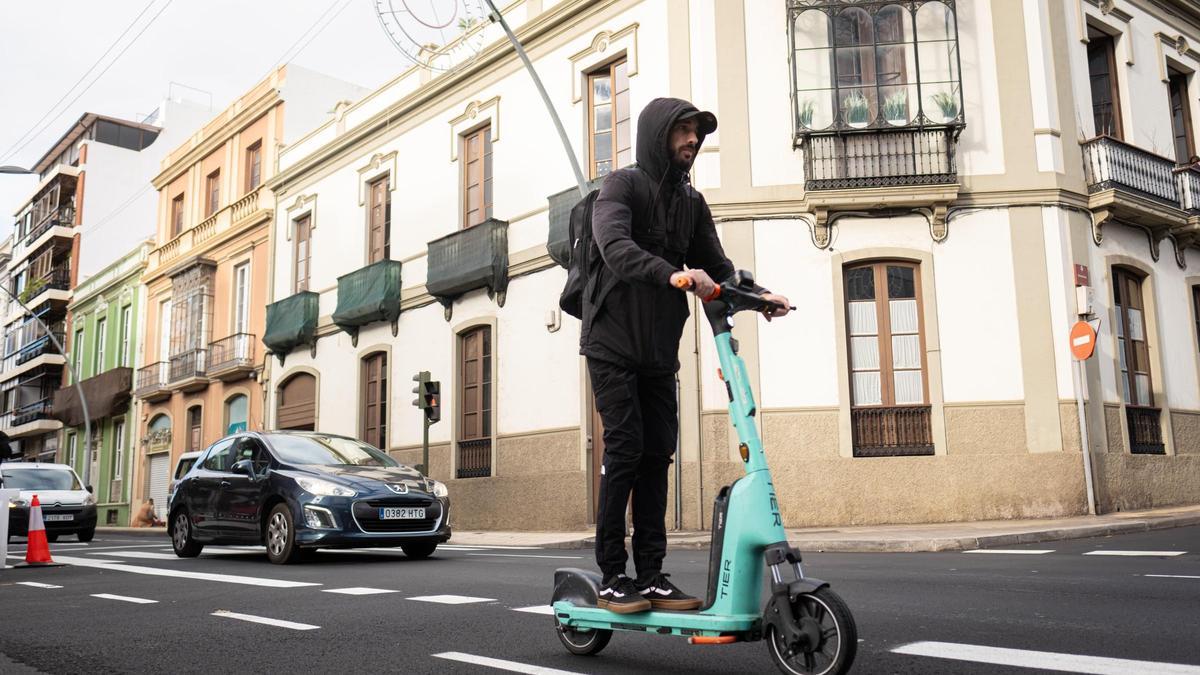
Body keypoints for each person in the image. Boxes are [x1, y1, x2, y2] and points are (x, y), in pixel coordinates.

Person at [582, 97, 791, 613]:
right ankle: (612, 575)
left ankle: (651, 575)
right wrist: (672, 274)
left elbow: (717, 268)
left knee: (658, 455)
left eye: (697, 133)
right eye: (683, 131)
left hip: (658, 350)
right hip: (612, 343)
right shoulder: (621, 186)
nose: (693, 140)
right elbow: (615, 248)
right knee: (625, 449)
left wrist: (759, 296)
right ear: (659, 135)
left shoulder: (691, 203)